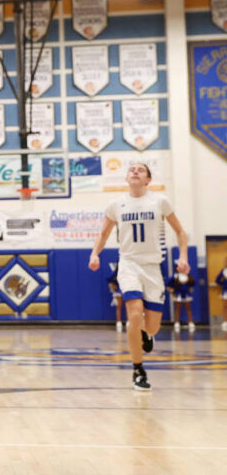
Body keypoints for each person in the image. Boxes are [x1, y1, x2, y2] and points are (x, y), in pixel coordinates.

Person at [89, 163, 190, 391]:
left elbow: (180, 232)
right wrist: (95, 254)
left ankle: (147, 334)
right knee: (134, 314)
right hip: (129, 265)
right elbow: (104, 234)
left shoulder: (160, 202)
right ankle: (138, 369)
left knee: (152, 327)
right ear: (127, 178)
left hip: (153, 267)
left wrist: (183, 256)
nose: (135, 171)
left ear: (148, 180)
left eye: (141, 170)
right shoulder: (116, 205)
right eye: (132, 169)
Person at [107, 263, 125, 332]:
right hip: (121, 290)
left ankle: (120, 323)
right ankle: (119, 323)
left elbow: (110, 279)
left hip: (125, 290)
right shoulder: (117, 272)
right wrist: (113, 286)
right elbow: (110, 280)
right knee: (120, 307)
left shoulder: (118, 272)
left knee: (122, 307)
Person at [217, 264, 227, 332]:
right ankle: (225, 321)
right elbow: (217, 280)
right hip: (226, 291)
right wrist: (223, 283)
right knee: (225, 306)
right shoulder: (223, 271)